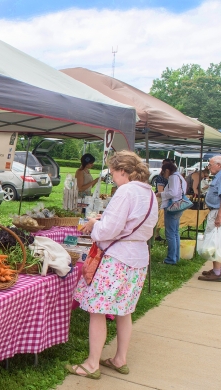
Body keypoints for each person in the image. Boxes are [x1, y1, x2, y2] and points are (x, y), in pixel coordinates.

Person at [65, 151, 158, 380]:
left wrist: (94, 225)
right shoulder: (150, 193)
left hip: (117, 258)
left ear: (123, 172)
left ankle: (92, 364)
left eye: (114, 173)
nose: (113, 178)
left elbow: (109, 229)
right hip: (138, 258)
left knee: (98, 310)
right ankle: (120, 359)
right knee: (124, 311)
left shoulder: (126, 191)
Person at [160, 162, 187, 264]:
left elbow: (173, 193)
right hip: (179, 204)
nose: (164, 175)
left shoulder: (172, 177)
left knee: (170, 233)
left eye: (163, 172)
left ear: (167, 170)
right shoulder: (180, 176)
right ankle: (176, 256)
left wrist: (161, 194)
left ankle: (171, 258)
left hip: (172, 205)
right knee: (175, 232)